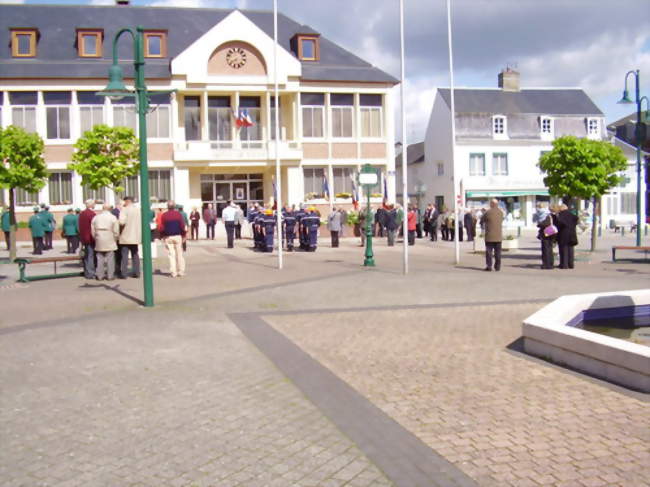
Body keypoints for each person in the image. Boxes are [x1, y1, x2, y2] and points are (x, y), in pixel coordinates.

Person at [92, 203, 119, 281]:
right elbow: (116, 230)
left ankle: (100, 275)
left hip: (99, 237)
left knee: (99, 258)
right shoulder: (113, 217)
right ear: (110, 209)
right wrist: (116, 238)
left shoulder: (96, 217)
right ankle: (110, 275)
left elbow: (92, 229)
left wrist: (95, 237)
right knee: (110, 258)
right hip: (109, 236)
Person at [160, 200, 186, 278]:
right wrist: (184, 235)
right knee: (179, 254)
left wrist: (162, 235)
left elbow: (161, 227)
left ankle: (173, 272)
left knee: (171, 255)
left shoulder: (164, 215)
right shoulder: (178, 214)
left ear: (167, 207)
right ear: (174, 206)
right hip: (177, 236)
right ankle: (181, 271)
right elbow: (182, 225)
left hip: (168, 237)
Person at [118, 196, 141, 279]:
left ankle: (124, 273)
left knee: (124, 255)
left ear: (127, 201)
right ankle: (137, 272)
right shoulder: (138, 210)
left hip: (126, 235)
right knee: (135, 254)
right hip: (135, 235)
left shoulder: (124, 210)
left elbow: (121, 222)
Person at [481, 199, 503, 272]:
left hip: (490, 236)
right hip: (498, 236)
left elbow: (482, 220)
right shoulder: (501, 212)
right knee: (498, 253)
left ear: (491, 204)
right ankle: (497, 266)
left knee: (489, 252)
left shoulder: (488, 212)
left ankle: (489, 266)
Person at [556, 203, 579, 269]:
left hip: (563, 234)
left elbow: (559, 224)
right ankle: (571, 264)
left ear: (561, 209)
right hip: (572, 234)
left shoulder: (561, 215)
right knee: (571, 249)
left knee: (563, 250)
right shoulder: (572, 215)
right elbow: (576, 219)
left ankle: (564, 264)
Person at [79, 199, 97, 279]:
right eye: (94, 203)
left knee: (86, 256)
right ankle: (90, 273)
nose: (95, 205)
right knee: (91, 255)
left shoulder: (82, 213)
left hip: (83, 237)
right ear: (91, 204)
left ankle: (87, 271)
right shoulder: (92, 214)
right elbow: (94, 226)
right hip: (90, 237)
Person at [536, 205, 555, 270]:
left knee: (546, 249)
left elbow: (545, 224)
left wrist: (539, 224)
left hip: (546, 233)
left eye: (539, 207)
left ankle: (547, 264)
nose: (538, 209)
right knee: (549, 248)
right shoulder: (548, 214)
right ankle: (550, 263)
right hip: (550, 233)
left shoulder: (544, 215)